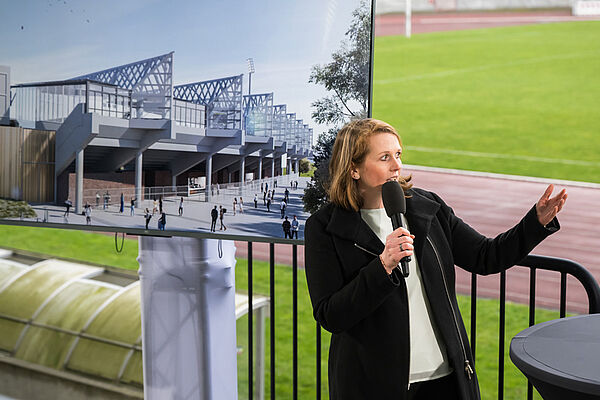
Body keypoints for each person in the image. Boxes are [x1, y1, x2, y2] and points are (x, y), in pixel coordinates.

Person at [303, 119, 567, 400]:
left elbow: (486, 256)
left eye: (398, 154)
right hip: (376, 385)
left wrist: (535, 223)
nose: (396, 165)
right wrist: (383, 266)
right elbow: (331, 314)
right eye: (384, 157)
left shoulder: (426, 207)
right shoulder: (324, 228)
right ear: (353, 169)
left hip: (445, 380)